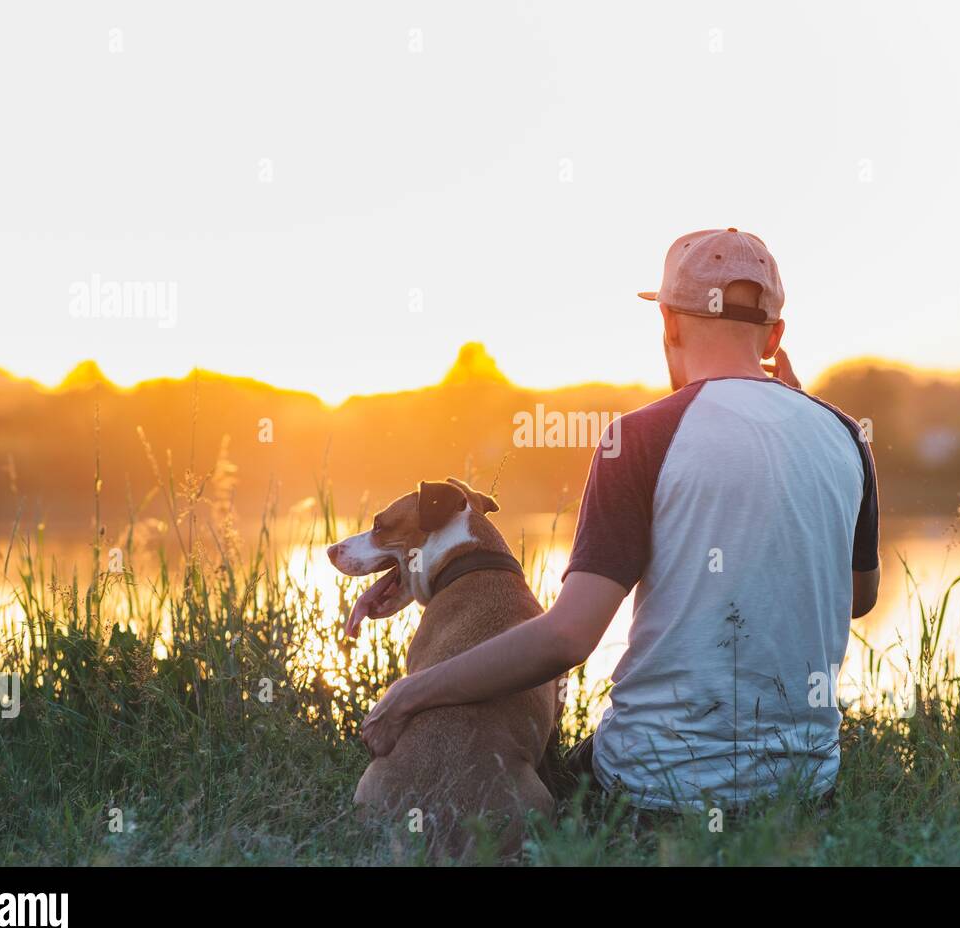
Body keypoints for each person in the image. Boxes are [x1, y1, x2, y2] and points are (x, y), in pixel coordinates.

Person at [361, 228, 879, 810]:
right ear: (775, 335)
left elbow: (566, 637)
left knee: (530, 775)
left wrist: (412, 691)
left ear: (670, 324)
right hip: (805, 794)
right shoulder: (846, 436)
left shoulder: (638, 439)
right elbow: (857, 597)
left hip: (654, 794)